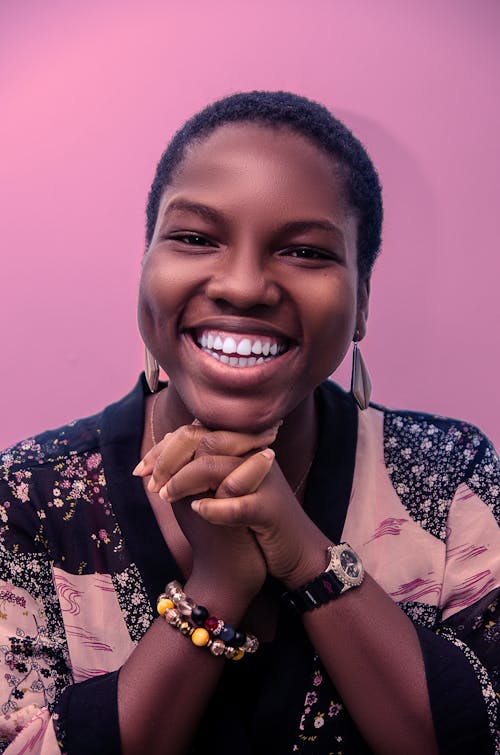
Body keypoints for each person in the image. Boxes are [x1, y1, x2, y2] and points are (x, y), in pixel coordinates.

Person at [0, 91, 498, 755]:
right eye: (195, 238)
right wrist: (218, 583)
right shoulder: (29, 495)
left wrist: (300, 550)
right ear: (146, 270)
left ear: (362, 301)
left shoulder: (448, 476)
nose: (242, 285)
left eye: (305, 252)